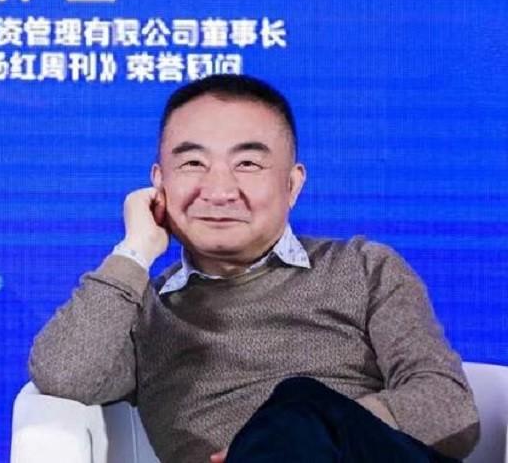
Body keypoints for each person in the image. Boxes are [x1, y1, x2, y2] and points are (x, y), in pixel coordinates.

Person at [29, 74, 479, 462]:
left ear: (292, 184)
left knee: (298, 402)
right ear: (158, 185)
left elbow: (449, 408)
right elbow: (63, 374)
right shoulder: (140, 314)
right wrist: (134, 250)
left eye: (247, 163)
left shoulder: (363, 268)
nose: (219, 190)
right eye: (193, 163)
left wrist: (304, 436)